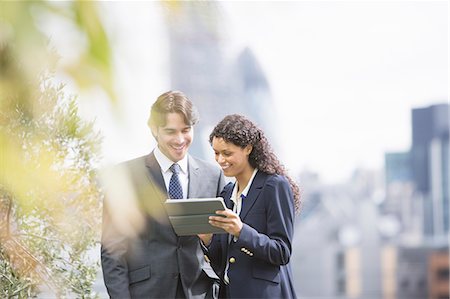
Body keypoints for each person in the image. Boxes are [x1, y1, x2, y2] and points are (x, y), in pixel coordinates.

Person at [101, 90, 226, 299]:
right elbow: (113, 252)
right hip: (146, 293)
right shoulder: (126, 177)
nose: (180, 140)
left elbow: (223, 246)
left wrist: (209, 241)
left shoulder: (213, 176)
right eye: (171, 131)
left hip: (200, 293)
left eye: (186, 130)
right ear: (154, 129)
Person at [198, 114, 301, 299]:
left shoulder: (274, 186)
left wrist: (241, 231)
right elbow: (222, 263)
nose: (220, 160)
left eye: (227, 153)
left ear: (247, 148)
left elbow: (282, 252)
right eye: (216, 153)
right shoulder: (227, 193)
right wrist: (207, 241)